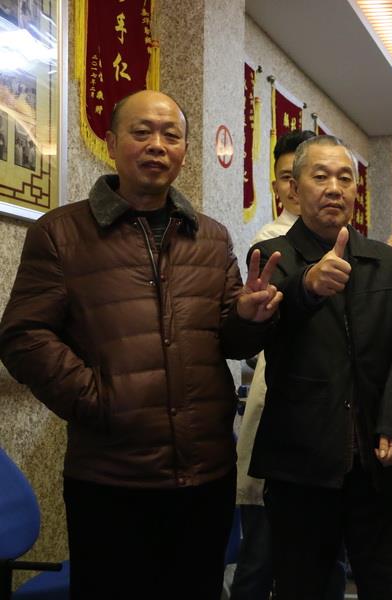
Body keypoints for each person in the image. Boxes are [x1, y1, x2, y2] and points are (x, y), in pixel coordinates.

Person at [0, 90, 282, 600]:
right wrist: (98, 400)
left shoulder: (211, 238)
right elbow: (23, 336)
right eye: (142, 132)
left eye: (171, 135)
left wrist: (249, 318)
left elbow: (228, 339)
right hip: (111, 477)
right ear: (111, 144)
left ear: (183, 151)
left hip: (206, 473)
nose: (157, 145)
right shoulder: (60, 233)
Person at [248, 135, 392, 599]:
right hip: (301, 463)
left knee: (389, 586)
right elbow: (251, 336)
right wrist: (306, 286)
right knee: (302, 587)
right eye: (320, 176)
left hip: (376, 461)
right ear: (294, 188)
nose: (334, 188)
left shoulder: (387, 262)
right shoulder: (273, 258)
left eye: (345, 178)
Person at [232, 129, 320, 600]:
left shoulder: (339, 241)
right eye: (288, 177)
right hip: (279, 409)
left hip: (323, 422)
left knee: (317, 558)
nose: (295, 187)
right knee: (261, 556)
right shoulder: (271, 242)